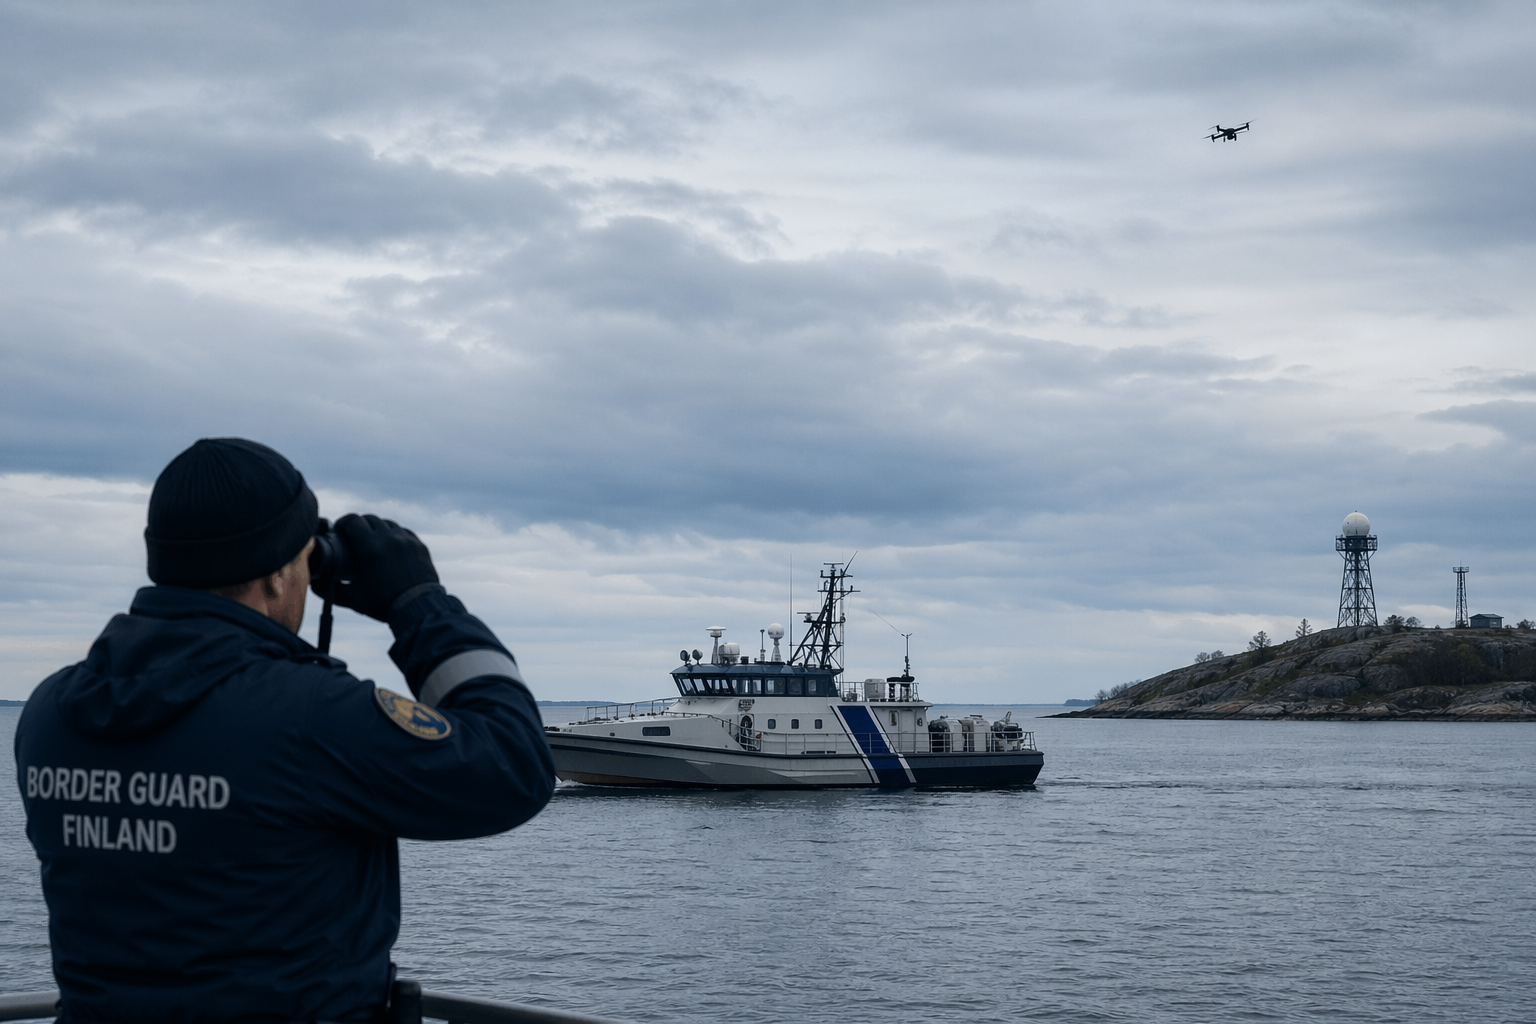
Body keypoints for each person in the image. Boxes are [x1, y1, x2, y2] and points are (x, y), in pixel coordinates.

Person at [14, 438, 555, 1023]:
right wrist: (421, 604)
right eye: (304, 559)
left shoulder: (50, 713)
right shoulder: (309, 717)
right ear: (276, 576)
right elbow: (514, 765)